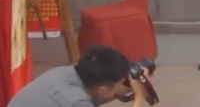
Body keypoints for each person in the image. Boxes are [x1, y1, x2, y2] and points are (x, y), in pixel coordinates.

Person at [7, 46, 151, 107]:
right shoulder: (73, 100)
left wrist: (121, 91)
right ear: (103, 88)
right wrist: (140, 97)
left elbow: (90, 97)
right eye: (120, 83)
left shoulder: (63, 73)